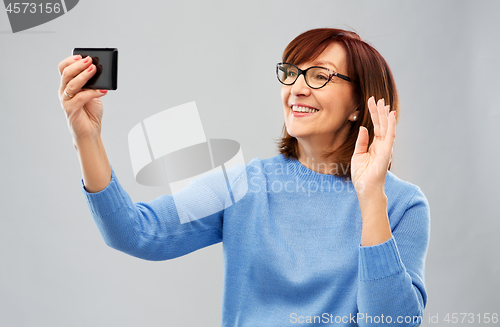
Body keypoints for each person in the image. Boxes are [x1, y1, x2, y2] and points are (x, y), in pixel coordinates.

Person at [58, 28, 430, 326]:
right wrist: (86, 137)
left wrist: (370, 197)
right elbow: (134, 232)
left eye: (320, 76)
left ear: (358, 104)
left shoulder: (401, 205)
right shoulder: (244, 185)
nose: (296, 88)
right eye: (291, 72)